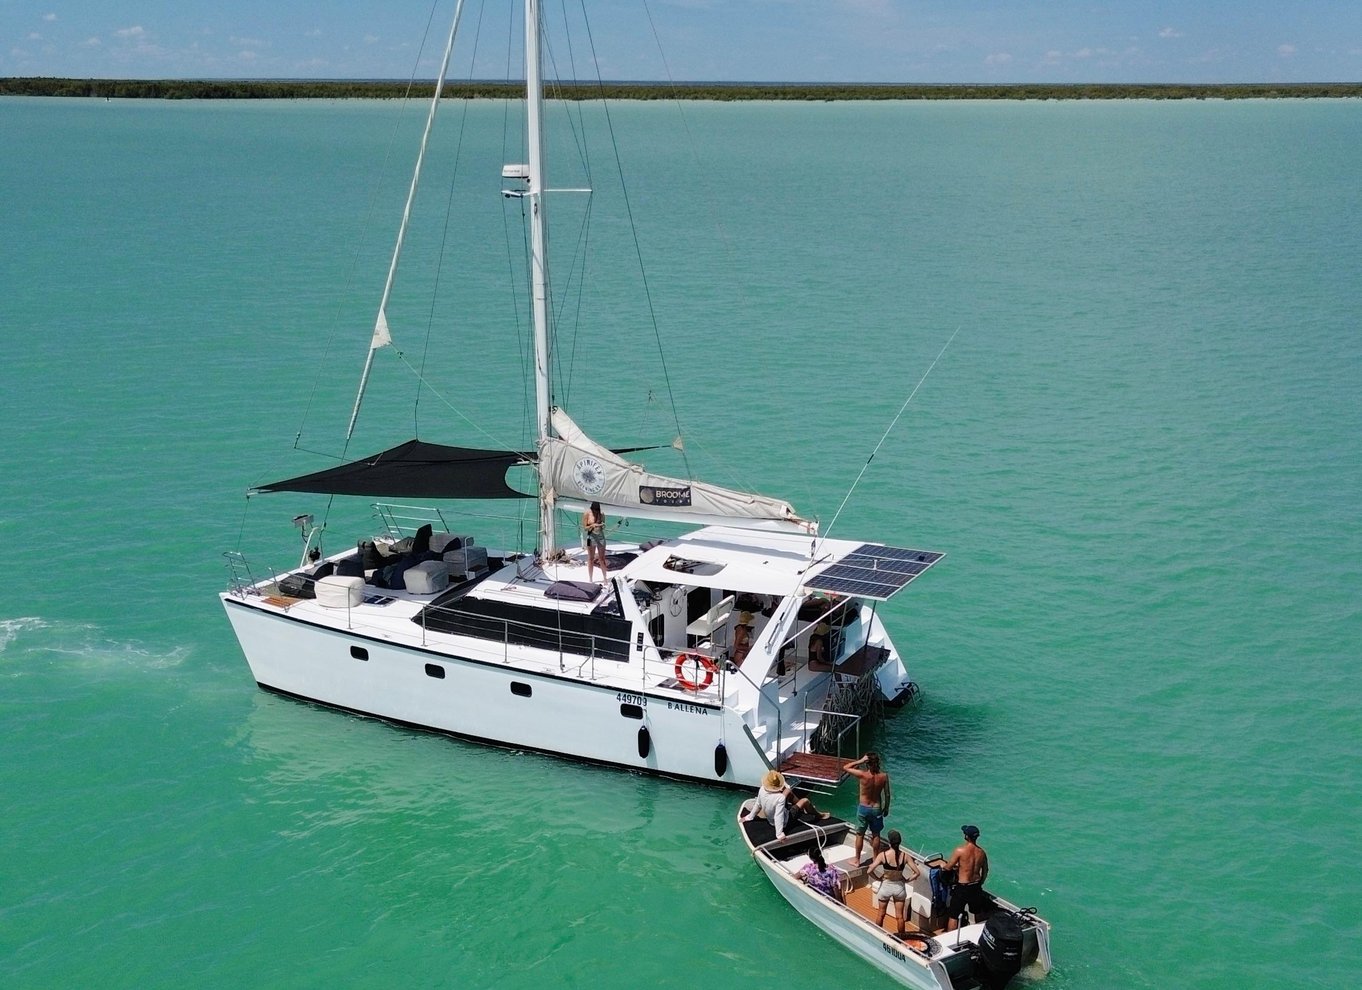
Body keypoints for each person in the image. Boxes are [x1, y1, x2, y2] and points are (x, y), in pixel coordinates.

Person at [738, 769, 829, 840]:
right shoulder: (780, 798)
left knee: (788, 792)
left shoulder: (762, 789)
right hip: (786, 820)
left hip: (770, 817)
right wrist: (779, 834)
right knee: (805, 800)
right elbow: (779, 816)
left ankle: (802, 809)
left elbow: (758, 804)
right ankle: (819, 815)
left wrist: (749, 817)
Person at [869, 829, 920, 936]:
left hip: (886, 887)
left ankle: (878, 935)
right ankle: (902, 938)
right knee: (900, 917)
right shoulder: (905, 856)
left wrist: (878, 878)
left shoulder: (882, 855)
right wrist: (906, 880)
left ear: (889, 842)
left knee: (881, 914)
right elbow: (917, 872)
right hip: (899, 888)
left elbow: (869, 870)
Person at [844, 752, 891, 864]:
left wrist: (860, 760)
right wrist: (886, 808)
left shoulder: (862, 775)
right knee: (876, 834)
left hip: (863, 808)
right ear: (878, 763)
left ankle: (857, 860)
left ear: (867, 764)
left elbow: (845, 767)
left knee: (860, 834)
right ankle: (875, 859)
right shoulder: (884, 776)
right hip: (876, 809)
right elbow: (887, 794)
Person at [943, 824, 990, 931]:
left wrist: (943, 867)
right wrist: (980, 883)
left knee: (954, 915)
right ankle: (978, 934)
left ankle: (951, 939)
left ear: (967, 836)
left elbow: (948, 867)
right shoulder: (982, 853)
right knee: (977, 913)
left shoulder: (960, 850)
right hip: (976, 887)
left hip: (962, 887)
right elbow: (985, 870)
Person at [582, 501, 608, 582]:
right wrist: (592, 526)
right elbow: (585, 528)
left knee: (602, 558)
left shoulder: (602, 514)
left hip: (600, 537)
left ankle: (605, 578)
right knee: (590, 558)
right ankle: (590, 579)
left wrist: (602, 525)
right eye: (594, 510)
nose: (596, 511)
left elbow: (603, 525)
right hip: (591, 537)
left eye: (597, 510)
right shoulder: (587, 514)